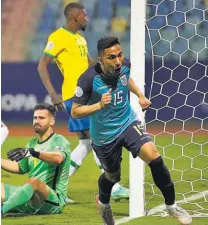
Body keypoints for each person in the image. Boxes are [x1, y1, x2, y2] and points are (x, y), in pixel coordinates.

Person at [71, 36, 192, 225]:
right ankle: (103, 203)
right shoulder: (87, 79)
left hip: (127, 122)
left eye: (120, 55)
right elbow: (75, 111)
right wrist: (98, 106)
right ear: (100, 59)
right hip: (104, 136)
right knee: (112, 176)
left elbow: (126, 79)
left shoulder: (125, 65)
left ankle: (171, 206)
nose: (118, 61)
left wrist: (140, 96)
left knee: (154, 157)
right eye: (112, 57)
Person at [37, 2, 129, 202]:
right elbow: (42, 66)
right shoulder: (57, 37)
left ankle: (53, 188)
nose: (88, 19)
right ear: (75, 16)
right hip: (75, 95)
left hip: (87, 94)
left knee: (86, 143)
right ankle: (113, 187)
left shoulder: (80, 38)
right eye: (85, 16)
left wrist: (113, 61)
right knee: (97, 140)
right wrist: (53, 94)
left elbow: (90, 65)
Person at [1, 103, 71, 215]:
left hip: (53, 200)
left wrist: (34, 153)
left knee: (34, 182)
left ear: (52, 121)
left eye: (42, 118)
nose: (37, 121)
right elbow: (20, 168)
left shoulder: (59, 141)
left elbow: (58, 158)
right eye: (35, 118)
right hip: (31, 197)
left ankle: (2, 209)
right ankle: (14, 204)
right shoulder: (32, 143)